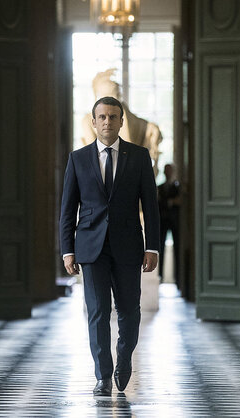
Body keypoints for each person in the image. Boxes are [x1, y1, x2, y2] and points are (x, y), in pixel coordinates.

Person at [59, 96, 160, 396]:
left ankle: (124, 361)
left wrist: (152, 247)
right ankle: (103, 374)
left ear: (121, 121)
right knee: (98, 311)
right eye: (101, 117)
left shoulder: (139, 157)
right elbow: (67, 209)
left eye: (112, 117)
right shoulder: (77, 159)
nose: (107, 122)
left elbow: (151, 206)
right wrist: (67, 249)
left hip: (129, 246)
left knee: (130, 310)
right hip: (90, 248)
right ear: (93, 122)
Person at [157, 164, 180, 285]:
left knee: (177, 249)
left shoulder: (177, 187)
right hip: (163, 221)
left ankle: (178, 278)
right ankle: (160, 275)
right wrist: (171, 202)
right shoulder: (159, 188)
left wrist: (170, 202)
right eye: (166, 171)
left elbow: (179, 201)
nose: (168, 173)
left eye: (170, 171)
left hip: (175, 222)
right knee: (160, 248)